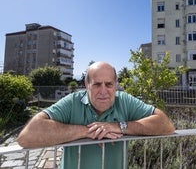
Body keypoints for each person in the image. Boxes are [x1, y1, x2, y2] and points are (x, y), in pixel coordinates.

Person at [17, 61, 175, 169]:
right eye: (97, 84)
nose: (104, 91)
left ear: (115, 85)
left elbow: (165, 125)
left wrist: (119, 126)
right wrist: (88, 131)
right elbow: (27, 136)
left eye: (109, 84)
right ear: (86, 85)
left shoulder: (125, 100)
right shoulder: (72, 102)